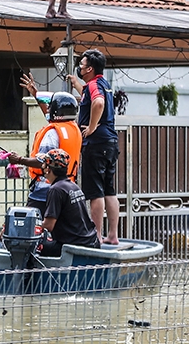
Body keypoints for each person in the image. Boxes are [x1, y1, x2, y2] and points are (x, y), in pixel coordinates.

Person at [69, 48, 120, 245]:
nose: (80, 68)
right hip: (110, 143)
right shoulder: (103, 84)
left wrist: (90, 128)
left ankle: (96, 236)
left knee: (95, 192)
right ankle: (112, 235)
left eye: (81, 65)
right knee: (109, 190)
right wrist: (76, 84)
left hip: (96, 144)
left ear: (89, 68)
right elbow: (92, 96)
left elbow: (97, 103)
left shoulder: (93, 85)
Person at [6, 88, 83, 211]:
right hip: (68, 186)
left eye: (50, 106)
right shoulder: (74, 129)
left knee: (29, 224)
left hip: (44, 189)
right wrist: (36, 94)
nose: (48, 109)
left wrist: (19, 159)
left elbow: (43, 161)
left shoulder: (52, 133)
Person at [39, 148, 100, 256]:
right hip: (91, 241)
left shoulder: (56, 190)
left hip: (73, 246)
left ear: (48, 169)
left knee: (33, 247)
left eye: (43, 165)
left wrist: (31, 225)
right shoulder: (73, 186)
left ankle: (28, 273)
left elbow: (49, 225)